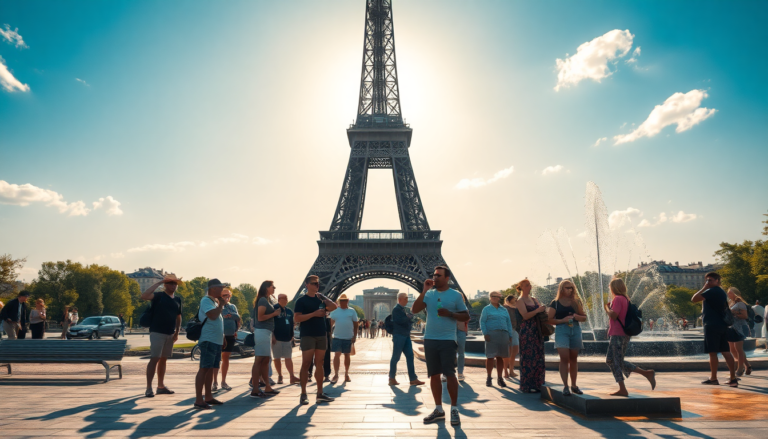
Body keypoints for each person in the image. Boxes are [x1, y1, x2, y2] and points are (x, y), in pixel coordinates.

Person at [411, 266, 469, 426]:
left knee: (450, 374)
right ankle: (439, 409)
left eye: (438, 275)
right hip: (430, 339)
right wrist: (424, 290)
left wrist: (450, 314)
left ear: (447, 278)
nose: (434, 277)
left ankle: (454, 409)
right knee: (434, 375)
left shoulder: (456, 295)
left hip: (448, 340)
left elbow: (466, 316)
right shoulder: (429, 294)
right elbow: (414, 309)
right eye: (434, 275)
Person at [603, 278, 656, 396]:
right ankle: (646, 373)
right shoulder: (626, 299)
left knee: (615, 361)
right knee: (612, 360)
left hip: (618, 334)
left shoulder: (617, 299)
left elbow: (614, 315)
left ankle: (623, 389)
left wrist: (606, 307)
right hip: (624, 334)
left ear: (613, 288)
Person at [294, 275, 337, 405]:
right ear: (307, 285)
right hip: (308, 334)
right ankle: (303, 393)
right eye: (314, 284)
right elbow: (297, 318)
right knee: (306, 363)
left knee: (320, 363)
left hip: (321, 334)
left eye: (318, 284)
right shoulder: (301, 301)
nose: (316, 286)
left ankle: (319, 393)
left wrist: (323, 296)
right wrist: (313, 314)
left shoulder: (321, 301)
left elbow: (334, 306)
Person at [140, 274, 184, 398]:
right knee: (155, 358)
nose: (173, 285)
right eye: (170, 283)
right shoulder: (159, 296)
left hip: (170, 333)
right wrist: (159, 283)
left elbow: (178, 316)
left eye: (175, 283)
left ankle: (160, 386)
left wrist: (177, 331)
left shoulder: (177, 299)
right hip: (157, 331)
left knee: (163, 359)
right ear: (165, 284)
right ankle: (149, 388)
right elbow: (144, 296)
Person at [692, 272, 738, 387]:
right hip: (722, 325)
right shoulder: (721, 291)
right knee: (726, 352)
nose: (708, 282)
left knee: (712, 353)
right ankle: (733, 378)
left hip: (711, 325)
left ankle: (713, 378)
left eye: (710, 280)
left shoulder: (712, 291)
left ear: (717, 280)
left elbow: (694, 299)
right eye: (707, 280)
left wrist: (704, 287)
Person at [548, 280, 587, 396]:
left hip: (575, 329)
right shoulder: (555, 303)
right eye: (567, 288)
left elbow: (584, 318)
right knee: (564, 358)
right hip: (562, 330)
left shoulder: (576, 302)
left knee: (573, 358)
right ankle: (565, 386)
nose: (569, 290)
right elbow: (549, 319)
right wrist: (562, 320)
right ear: (561, 289)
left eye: (571, 287)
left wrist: (576, 316)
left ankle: (574, 385)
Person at [193, 278, 227, 409]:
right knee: (204, 368)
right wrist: (220, 306)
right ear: (212, 288)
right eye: (220, 287)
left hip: (215, 340)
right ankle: (198, 399)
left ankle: (208, 396)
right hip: (208, 340)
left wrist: (222, 337)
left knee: (210, 369)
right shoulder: (206, 300)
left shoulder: (214, 302)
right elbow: (212, 316)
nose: (222, 290)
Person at [249, 281, 280, 398]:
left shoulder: (266, 300)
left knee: (265, 360)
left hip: (265, 332)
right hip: (262, 332)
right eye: (273, 286)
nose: (274, 288)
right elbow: (260, 317)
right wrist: (274, 313)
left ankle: (267, 386)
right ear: (267, 288)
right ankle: (256, 388)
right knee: (259, 360)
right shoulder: (262, 300)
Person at [515, 279, 546, 393]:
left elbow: (539, 312)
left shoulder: (534, 299)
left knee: (538, 357)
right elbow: (525, 316)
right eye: (527, 285)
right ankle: (526, 385)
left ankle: (538, 383)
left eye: (530, 285)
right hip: (527, 331)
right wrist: (538, 310)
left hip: (537, 330)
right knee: (528, 357)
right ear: (521, 287)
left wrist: (542, 310)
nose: (529, 287)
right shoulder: (520, 300)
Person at [389, 292, 424, 386]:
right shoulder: (396, 309)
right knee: (396, 357)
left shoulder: (402, 309)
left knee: (410, 356)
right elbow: (398, 321)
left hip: (405, 335)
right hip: (399, 336)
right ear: (400, 299)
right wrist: (408, 317)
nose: (407, 300)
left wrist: (409, 318)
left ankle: (413, 379)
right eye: (405, 299)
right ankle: (391, 378)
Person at [480, 291, 513, 388]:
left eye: (497, 296)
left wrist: (510, 335)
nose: (495, 298)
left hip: (503, 333)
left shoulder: (504, 310)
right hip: (491, 334)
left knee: (500, 357)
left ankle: (500, 378)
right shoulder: (486, 309)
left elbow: (508, 322)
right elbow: (482, 322)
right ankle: (489, 377)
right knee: (490, 357)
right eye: (493, 296)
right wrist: (485, 333)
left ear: (499, 298)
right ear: (490, 298)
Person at [213, 288, 240, 392]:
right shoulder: (217, 305)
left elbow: (237, 317)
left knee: (226, 357)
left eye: (228, 296)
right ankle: (214, 382)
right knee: (216, 358)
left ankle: (223, 381)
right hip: (219, 335)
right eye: (224, 295)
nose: (226, 298)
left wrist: (236, 328)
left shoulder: (232, 306)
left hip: (230, 334)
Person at [329, 293, 358, 384]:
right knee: (336, 355)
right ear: (339, 302)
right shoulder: (334, 311)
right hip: (337, 337)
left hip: (348, 337)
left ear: (347, 301)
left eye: (345, 300)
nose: (343, 302)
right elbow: (330, 324)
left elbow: (356, 324)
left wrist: (354, 336)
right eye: (341, 301)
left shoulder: (352, 311)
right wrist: (329, 334)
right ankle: (336, 374)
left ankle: (346, 373)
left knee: (347, 355)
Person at [273, 293, 299, 385]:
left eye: (286, 298)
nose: (284, 300)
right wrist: (272, 335)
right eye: (282, 298)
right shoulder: (274, 309)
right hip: (277, 338)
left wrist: (292, 335)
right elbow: (270, 323)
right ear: (278, 299)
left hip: (287, 338)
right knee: (277, 358)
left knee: (288, 358)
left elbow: (292, 324)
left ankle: (292, 376)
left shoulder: (289, 311)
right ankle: (280, 375)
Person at [727, 287, 753, 376]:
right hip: (732, 328)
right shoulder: (731, 303)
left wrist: (733, 313)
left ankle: (740, 369)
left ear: (735, 293)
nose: (728, 294)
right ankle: (747, 365)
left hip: (740, 328)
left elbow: (745, 316)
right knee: (732, 349)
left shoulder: (740, 304)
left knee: (738, 349)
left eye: (729, 293)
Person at [502, 295, 520, 380]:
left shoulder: (517, 309)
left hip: (515, 331)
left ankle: (511, 370)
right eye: (514, 300)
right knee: (507, 353)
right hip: (508, 331)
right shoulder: (505, 309)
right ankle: (506, 371)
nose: (516, 301)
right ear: (508, 301)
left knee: (515, 351)